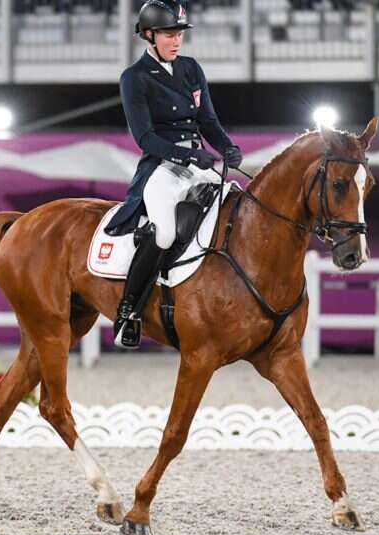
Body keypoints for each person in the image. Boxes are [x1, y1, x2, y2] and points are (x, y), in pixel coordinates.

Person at [106, 0, 243, 348]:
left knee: (236, 207)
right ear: (150, 36)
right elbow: (145, 138)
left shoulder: (191, 69)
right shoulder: (134, 78)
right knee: (164, 231)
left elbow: (207, 121)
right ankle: (129, 311)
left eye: (179, 33)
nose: (176, 40)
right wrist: (188, 154)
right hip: (162, 168)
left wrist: (226, 146)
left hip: (197, 165)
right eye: (168, 34)